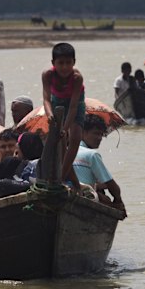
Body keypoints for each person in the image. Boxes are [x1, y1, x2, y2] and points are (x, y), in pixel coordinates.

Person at [41, 42, 84, 189]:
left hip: (75, 102)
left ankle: (62, 176)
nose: (65, 67)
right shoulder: (47, 75)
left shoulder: (77, 77)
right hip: (57, 101)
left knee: (75, 138)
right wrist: (50, 115)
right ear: (53, 63)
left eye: (68, 63)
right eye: (61, 63)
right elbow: (46, 99)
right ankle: (72, 181)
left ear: (74, 62)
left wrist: (65, 128)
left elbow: (73, 107)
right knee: (58, 140)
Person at [73, 114, 126, 215]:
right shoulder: (91, 155)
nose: (99, 138)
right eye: (96, 133)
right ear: (83, 132)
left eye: (101, 135)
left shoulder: (66, 151)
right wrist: (118, 201)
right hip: (85, 199)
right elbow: (112, 185)